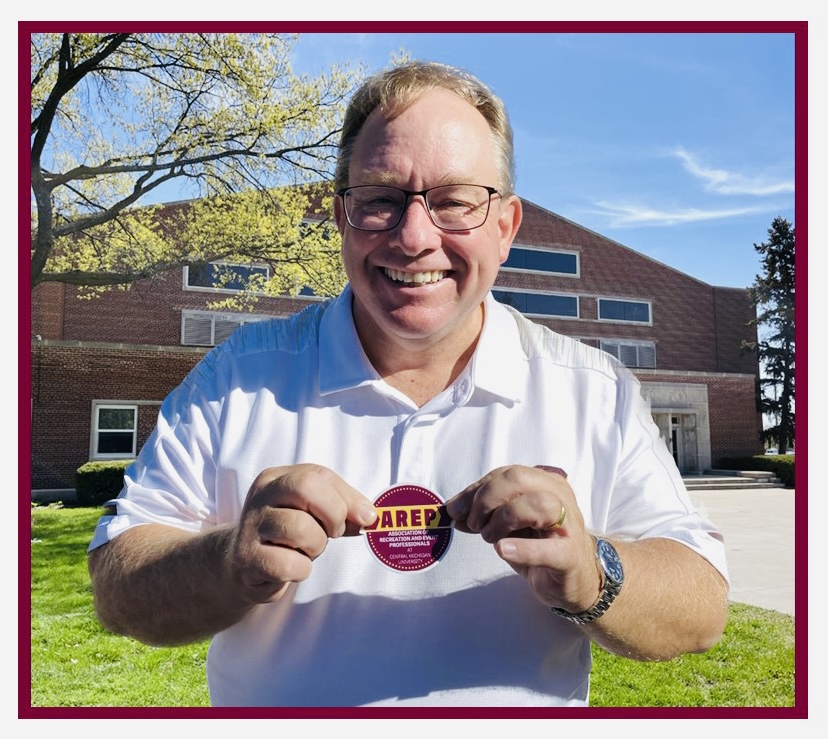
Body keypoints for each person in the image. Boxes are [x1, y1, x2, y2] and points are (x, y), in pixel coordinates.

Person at [87, 60, 729, 708]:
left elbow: (701, 602)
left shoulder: (593, 389)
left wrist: (594, 572)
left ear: (505, 227)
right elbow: (117, 581)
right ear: (341, 215)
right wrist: (225, 562)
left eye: (454, 201)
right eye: (380, 200)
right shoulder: (237, 379)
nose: (415, 237)